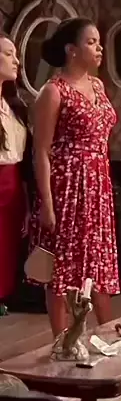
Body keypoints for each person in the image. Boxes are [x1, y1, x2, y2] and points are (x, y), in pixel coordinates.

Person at [29, 17, 119, 337]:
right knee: (61, 266)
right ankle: (61, 341)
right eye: (91, 42)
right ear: (71, 50)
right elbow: (41, 151)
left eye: (99, 42)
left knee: (98, 259)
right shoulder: (53, 92)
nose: (99, 48)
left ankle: (107, 335)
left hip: (98, 184)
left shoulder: (98, 86)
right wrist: (47, 203)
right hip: (67, 185)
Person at [0, 33, 32, 306]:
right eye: (8, 54)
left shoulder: (14, 105)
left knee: (7, 257)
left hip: (13, 189)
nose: (16, 61)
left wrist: (28, 203)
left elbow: (24, 161)